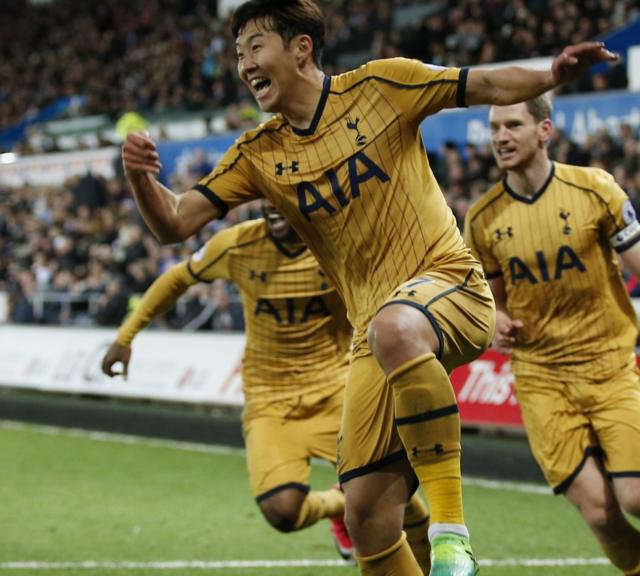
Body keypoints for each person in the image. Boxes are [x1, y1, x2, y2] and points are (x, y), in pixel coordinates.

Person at [119, 0, 618, 572]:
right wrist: (141, 180)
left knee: (396, 326)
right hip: (372, 339)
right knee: (366, 516)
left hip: (450, 286)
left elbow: (482, 83)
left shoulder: (383, 86)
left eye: (255, 46)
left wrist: (551, 76)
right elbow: (174, 223)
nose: (243, 64)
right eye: (237, 54)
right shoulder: (259, 153)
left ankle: (453, 536)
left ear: (301, 47)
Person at [102, 202, 433, 572]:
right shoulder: (237, 246)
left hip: (337, 393)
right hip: (269, 401)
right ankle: (340, 505)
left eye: (282, 197)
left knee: (398, 501)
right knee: (283, 512)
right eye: (266, 197)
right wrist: (126, 335)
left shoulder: (339, 246)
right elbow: (179, 277)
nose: (272, 206)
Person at [464, 94, 640, 576]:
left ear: (544, 130)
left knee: (635, 496)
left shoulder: (595, 188)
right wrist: (495, 319)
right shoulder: (482, 220)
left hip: (609, 365)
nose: (500, 136)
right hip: (541, 378)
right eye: (495, 127)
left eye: (513, 125)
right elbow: (493, 303)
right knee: (601, 512)